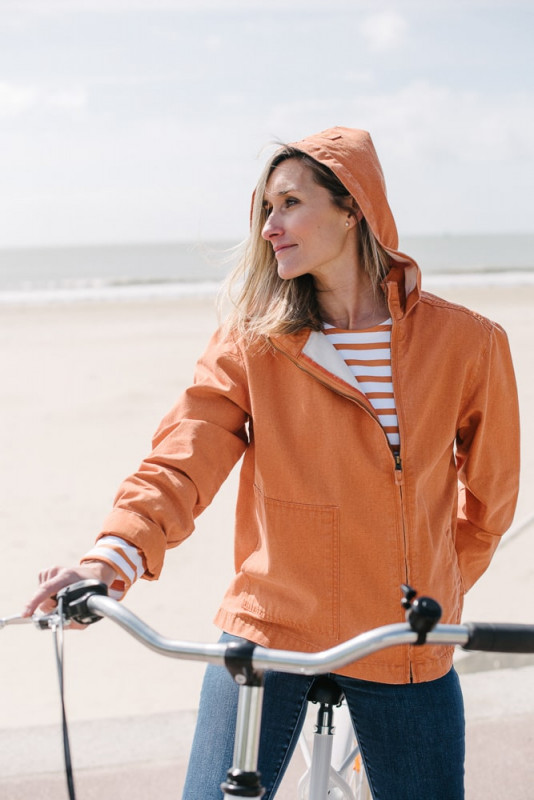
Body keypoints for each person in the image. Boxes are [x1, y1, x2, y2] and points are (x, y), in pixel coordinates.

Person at [24, 127, 520, 798]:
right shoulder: (253, 341)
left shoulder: (469, 343)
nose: (270, 226)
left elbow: (490, 502)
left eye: (289, 203)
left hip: (405, 641)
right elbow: (182, 458)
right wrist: (109, 559)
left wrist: (431, 585)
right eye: (265, 209)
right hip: (269, 630)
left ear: (354, 208)